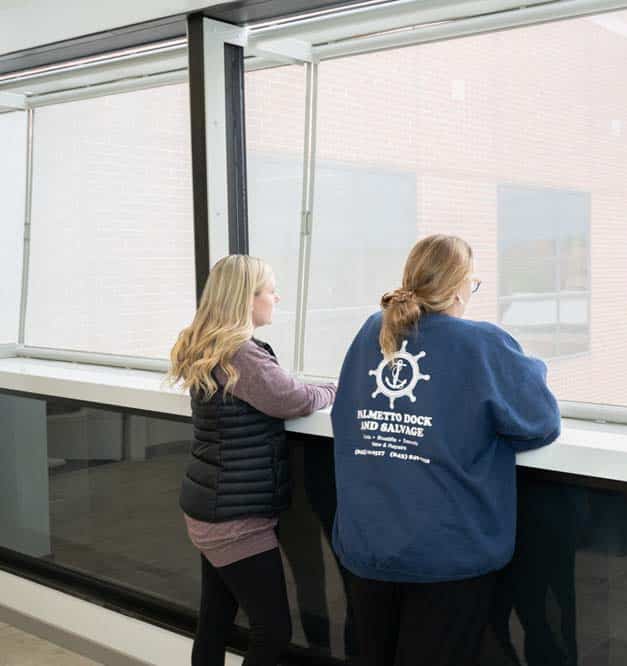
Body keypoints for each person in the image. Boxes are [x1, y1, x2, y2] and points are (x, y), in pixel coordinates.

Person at [331, 234, 561, 665]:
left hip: (367, 544)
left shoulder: (371, 331)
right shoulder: (481, 343)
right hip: (444, 556)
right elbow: (541, 422)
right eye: (472, 285)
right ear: (458, 289)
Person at [169, 254, 337, 666]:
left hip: (211, 508)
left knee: (215, 619)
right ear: (247, 299)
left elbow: (275, 391)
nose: (277, 297)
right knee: (273, 628)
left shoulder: (208, 344)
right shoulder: (241, 355)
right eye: (270, 290)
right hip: (235, 519)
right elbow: (294, 399)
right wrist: (335, 389)